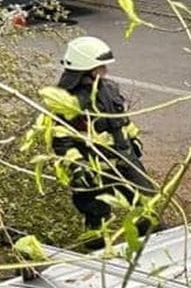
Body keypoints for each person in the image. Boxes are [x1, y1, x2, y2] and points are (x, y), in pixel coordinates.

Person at [49, 36, 156, 237]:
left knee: (147, 202)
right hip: (94, 167)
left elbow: (121, 119)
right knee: (97, 216)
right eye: (101, 66)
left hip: (124, 159)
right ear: (87, 69)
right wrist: (77, 166)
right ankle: (97, 249)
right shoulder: (67, 101)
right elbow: (61, 140)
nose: (105, 70)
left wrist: (133, 138)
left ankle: (150, 237)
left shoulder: (109, 89)